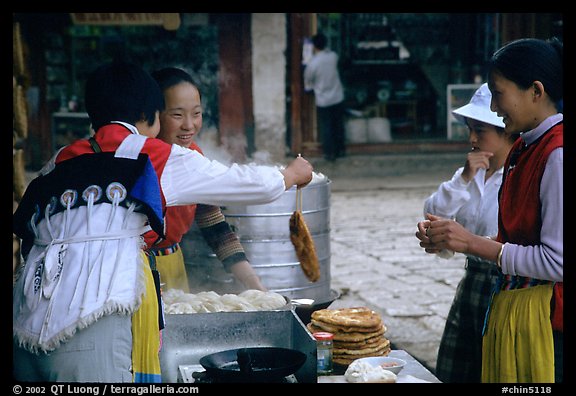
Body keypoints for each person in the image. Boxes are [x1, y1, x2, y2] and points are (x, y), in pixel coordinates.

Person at [12, 59, 313, 382]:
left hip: (23, 328)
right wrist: (290, 175)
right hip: (89, 328)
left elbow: (24, 234)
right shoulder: (152, 155)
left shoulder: (57, 161)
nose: (188, 124)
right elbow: (241, 184)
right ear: (150, 115)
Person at [416, 37, 563, 383]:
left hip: (543, 318)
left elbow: (557, 262)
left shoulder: (556, 155)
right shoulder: (526, 150)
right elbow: (516, 237)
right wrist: (450, 239)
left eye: (499, 94)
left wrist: (471, 243)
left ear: (535, 91)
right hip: (512, 308)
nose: (496, 107)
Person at [425, 83, 518, 383]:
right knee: (455, 369)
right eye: (470, 129)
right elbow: (435, 209)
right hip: (471, 282)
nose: (472, 138)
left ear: (506, 130)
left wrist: (466, 241)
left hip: (505, 286)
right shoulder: (472, 172)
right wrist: (464, 178)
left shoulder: (519, 172)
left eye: (480, 130)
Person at [147, 66, 265, 292]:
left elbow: (213, 223)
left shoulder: (194, 156)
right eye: (177, 115)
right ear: (154, 115)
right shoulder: (143, 159)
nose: (189, 125)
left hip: (174, 265)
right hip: (140, 271)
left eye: (196, 113)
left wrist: (253, 283)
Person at [304, 32, 346, 161]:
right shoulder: (333, 56)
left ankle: (329, 153)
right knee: (338, 124)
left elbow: (308, 82)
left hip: (323, 99)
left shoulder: (313, 64)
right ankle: (340, 150)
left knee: (327, 126)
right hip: (337, 95)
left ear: (314, 46)